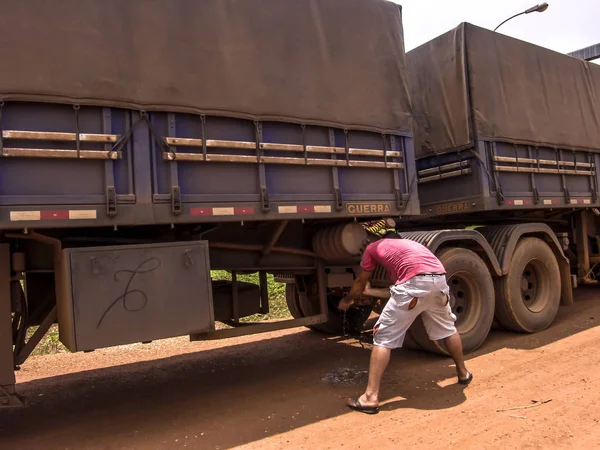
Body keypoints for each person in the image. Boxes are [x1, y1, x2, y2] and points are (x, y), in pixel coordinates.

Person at [338, 237, 472, 415]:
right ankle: (463, 373)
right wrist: (371, 292)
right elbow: (401, 290)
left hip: (415, 284)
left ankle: (370, 397)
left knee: (383, 338)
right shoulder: (406, 246)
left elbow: (361, 283)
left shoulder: (371, 248)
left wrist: (347, 300)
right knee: (448, 328)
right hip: (439, 281)